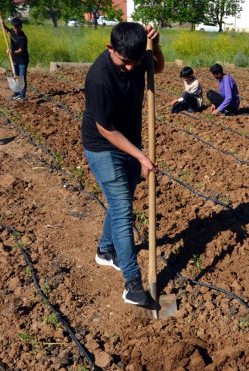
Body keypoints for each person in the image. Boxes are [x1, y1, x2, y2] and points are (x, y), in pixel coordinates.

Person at [81, 22, 164, 306]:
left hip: (130, 141)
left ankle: (105, 251)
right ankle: (132, 283)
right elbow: (105, 129)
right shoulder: (99, 78)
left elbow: (159, 67)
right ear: (110, 48)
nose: (130, 68)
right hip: (104, 146)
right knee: (123, 210)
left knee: (122, 202)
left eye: (135, 62)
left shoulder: (137, 56)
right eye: (123, 62)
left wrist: (157, 46)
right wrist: (141, 156)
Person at [1, 17, 29, 101]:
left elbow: (20, 51)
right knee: (15, 76)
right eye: (14, 27)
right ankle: (16, 94)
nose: (15, 29)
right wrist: (3, 25)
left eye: (17, 27)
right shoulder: (13, 31)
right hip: (14, 60)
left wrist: (11, 52)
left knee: (21, 77)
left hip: (22, 60)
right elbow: (8, 31)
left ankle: (22, 96)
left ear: (21, 27)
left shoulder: (23, 38)